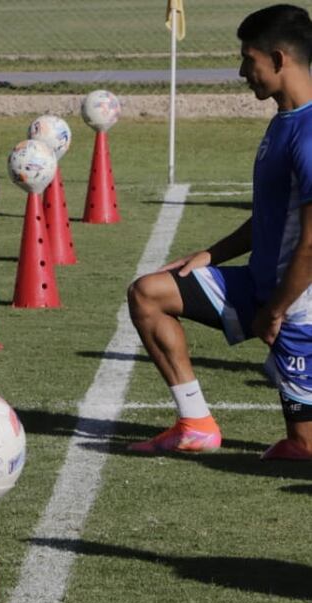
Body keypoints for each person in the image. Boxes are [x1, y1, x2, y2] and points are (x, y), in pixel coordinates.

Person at [127, 4, 312, 460]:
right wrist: (211, 254)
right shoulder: (284, 121)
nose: (241, 72)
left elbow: (311, 245)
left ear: (279, 59)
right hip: (261, 286)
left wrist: (275, 311)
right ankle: (195, 424)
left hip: (297, 306)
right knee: (149, 294)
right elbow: (271, 216)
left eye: (249, 59)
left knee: (303, 448)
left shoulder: (309, 135)